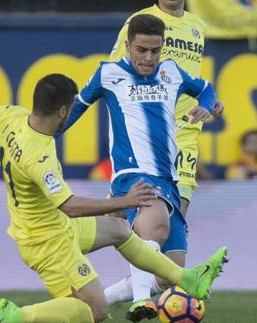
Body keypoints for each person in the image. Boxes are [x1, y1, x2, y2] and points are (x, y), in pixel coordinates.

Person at [0, 73, 227, 323]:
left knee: (119, 230)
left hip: (51, 225)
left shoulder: (9, 115)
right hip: (47, 241)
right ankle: (17, 317)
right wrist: (125, 201)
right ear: (63, 110)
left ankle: (187, 278)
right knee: (95, 310)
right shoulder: (39, 157)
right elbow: (70, 206)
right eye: (72, 106)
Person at [59, 14, 227, 321]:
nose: (148, 58)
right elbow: (73, 111)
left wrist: (208, 103)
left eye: (155, 50)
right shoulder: (108, 73)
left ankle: (83, 308)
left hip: (169, 179)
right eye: (141, 50)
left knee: (164, 279)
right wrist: (40, 133)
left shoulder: (171, 71)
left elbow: (206, 88)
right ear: (127, 45)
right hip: (132, 173)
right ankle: (139, 303)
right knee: (156, 228)